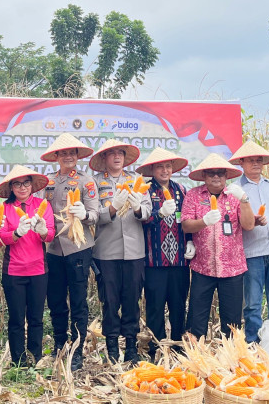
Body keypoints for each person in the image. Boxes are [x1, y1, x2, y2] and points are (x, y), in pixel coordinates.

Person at [37, 133, 101, 371]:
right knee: (55, 300)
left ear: (77, 156)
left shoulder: (87, 182)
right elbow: (42, 210)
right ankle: (59, 345)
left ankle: (76, 350)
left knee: (78, 301)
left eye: (72, 153)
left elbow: (95, 214)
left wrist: (85, 214)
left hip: (78, 249)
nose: (68, 157)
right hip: (54, 248)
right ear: (56, 156)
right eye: (63, 153)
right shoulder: (48, 182)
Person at [90, 139, 151, 364]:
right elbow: (94, 214)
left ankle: (132, 347)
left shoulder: (136, 181)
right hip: (106, 252)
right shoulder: (95, 183)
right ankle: (112, 346)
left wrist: (137, 208)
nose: (117, 157)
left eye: (121, 153)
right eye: (112, 153)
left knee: (132, 301)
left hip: (134, 251)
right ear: (104, 158)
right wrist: (112, 207)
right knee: (110, 302)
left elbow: (147, 211)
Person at [183, 153, 255, 338]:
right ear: (204, 176)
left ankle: (230, 359)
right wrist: (204, 222)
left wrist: (245, 200)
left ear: (226, 176)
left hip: (232, 268)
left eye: (220, 173)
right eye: (211, 173)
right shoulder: (193, 195)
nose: (216, 177)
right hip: (203, 267)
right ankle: (195, 356)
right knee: (196, 319)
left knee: (231, 323)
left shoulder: (235, 196)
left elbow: (248, 225)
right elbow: (186, 225)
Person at [229, 141, 269, 344]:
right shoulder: (235, 189)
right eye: (251, 160)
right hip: (251, 251)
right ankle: (253, 341)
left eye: (259, 160)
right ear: (242, 163)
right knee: (253, 302)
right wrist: (250, 221)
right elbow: (230, 220)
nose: (256, 164)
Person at [0, 165, 55, 365]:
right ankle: (18, 360)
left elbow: (51, 235)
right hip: (14, 271)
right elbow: (0, 238)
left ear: (32, 185)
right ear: (11, 187)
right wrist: (16, 233)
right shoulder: (4, 208)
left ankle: (36, 357)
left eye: (26, 183)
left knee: (36, 318)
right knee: (16, 319)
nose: (22, 188)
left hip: (39, 270)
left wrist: (43, 231)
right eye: (17, 184)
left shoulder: (42, 205)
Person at [136, 148, 191, 360]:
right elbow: (139, 220)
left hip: (179, 261)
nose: (165, 170)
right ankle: (155, 349)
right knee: (155, 306)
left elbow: (187, 220)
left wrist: (190, 243)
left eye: (168, 166)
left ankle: (178, 347)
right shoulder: (145, 190)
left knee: (178, 306)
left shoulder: (182, 190)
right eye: (160, 166)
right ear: (152, 169)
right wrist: (159, 214)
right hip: (154, 260)